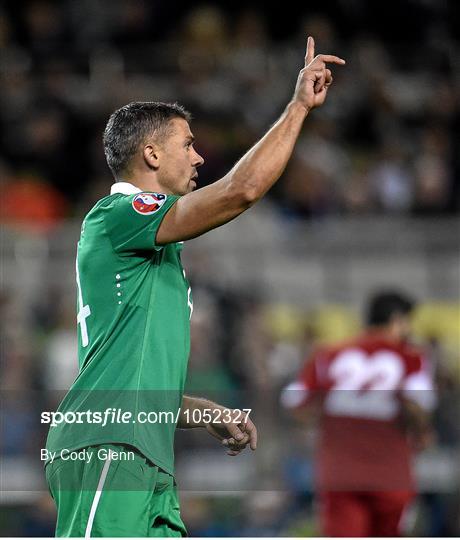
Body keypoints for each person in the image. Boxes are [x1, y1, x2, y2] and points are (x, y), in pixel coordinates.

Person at [44, 36, 345, 537]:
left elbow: (129, 379)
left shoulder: (153, 250)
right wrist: (296, 109)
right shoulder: (117, 214)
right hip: (107, 442)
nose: (200, 157)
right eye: (188, 144)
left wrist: (204, 411)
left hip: (144, 451)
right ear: (152, 153)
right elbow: (240, 191)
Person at [282, 291, 436, 537]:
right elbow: (419, 406)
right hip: (391, 472)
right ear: (397, 320)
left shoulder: (328, 354)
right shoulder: (411, 357)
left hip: (340, 471)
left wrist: (329, 418)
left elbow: (295, 401)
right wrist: (421, 432)